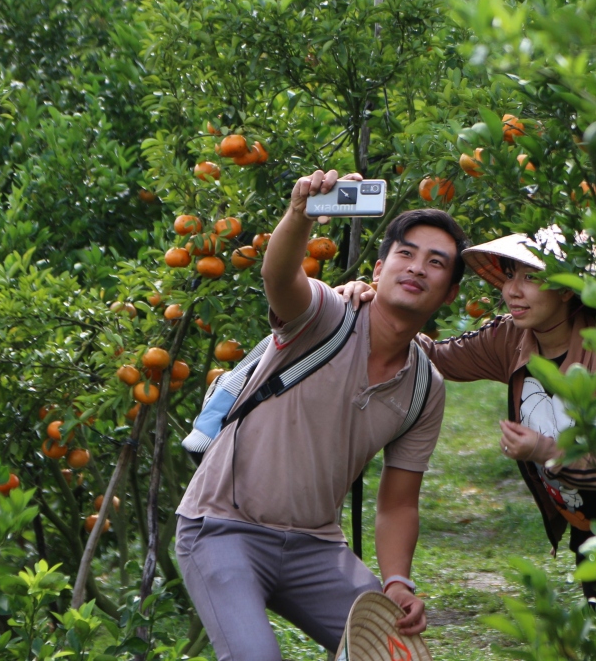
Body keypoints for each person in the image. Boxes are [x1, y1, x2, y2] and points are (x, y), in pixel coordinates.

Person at [175, 170, 468, 661]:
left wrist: (397, 581)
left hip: (314, 546)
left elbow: (398, 503)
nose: (417, 268)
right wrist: (300, 214)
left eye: (436, 263)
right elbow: (279, 277)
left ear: (451, 293)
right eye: (406, 253)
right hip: (223, 528)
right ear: (378, 270)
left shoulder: (424, 386)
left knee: (393, 655)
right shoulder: (327, 317)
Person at [339, 228, 596, 602]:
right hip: (590, 529)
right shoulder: (511, 338)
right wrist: (375, 302)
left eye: (531, 277)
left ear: (566, 287)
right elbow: (434, 355)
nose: (513, 290)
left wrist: (544, 449)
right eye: (510, 275)